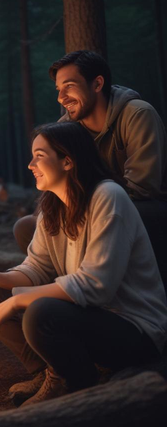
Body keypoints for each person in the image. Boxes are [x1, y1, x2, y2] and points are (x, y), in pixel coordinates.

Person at [0, 122, 167, 407]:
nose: (30, 165)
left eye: (39, 155)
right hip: (86, 312)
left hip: (133, 326)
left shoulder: (108, 197)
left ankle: (76, 384)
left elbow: (95, 285)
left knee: (40, 313)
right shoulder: (53, 205)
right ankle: (47, 371)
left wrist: (17, 301)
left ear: (67, 161)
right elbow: (38, 266)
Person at [13, 51, 167, 286]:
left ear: (97, 84)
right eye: (58, 90)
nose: (61, 98)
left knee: (140, 216)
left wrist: (84, 210)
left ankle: (126, 289)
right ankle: (69, 288)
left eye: (69, 86)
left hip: (142, 208)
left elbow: (142, 187)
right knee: (27, 227)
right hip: (85, 208)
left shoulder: (136, 114)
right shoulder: (66, 127)